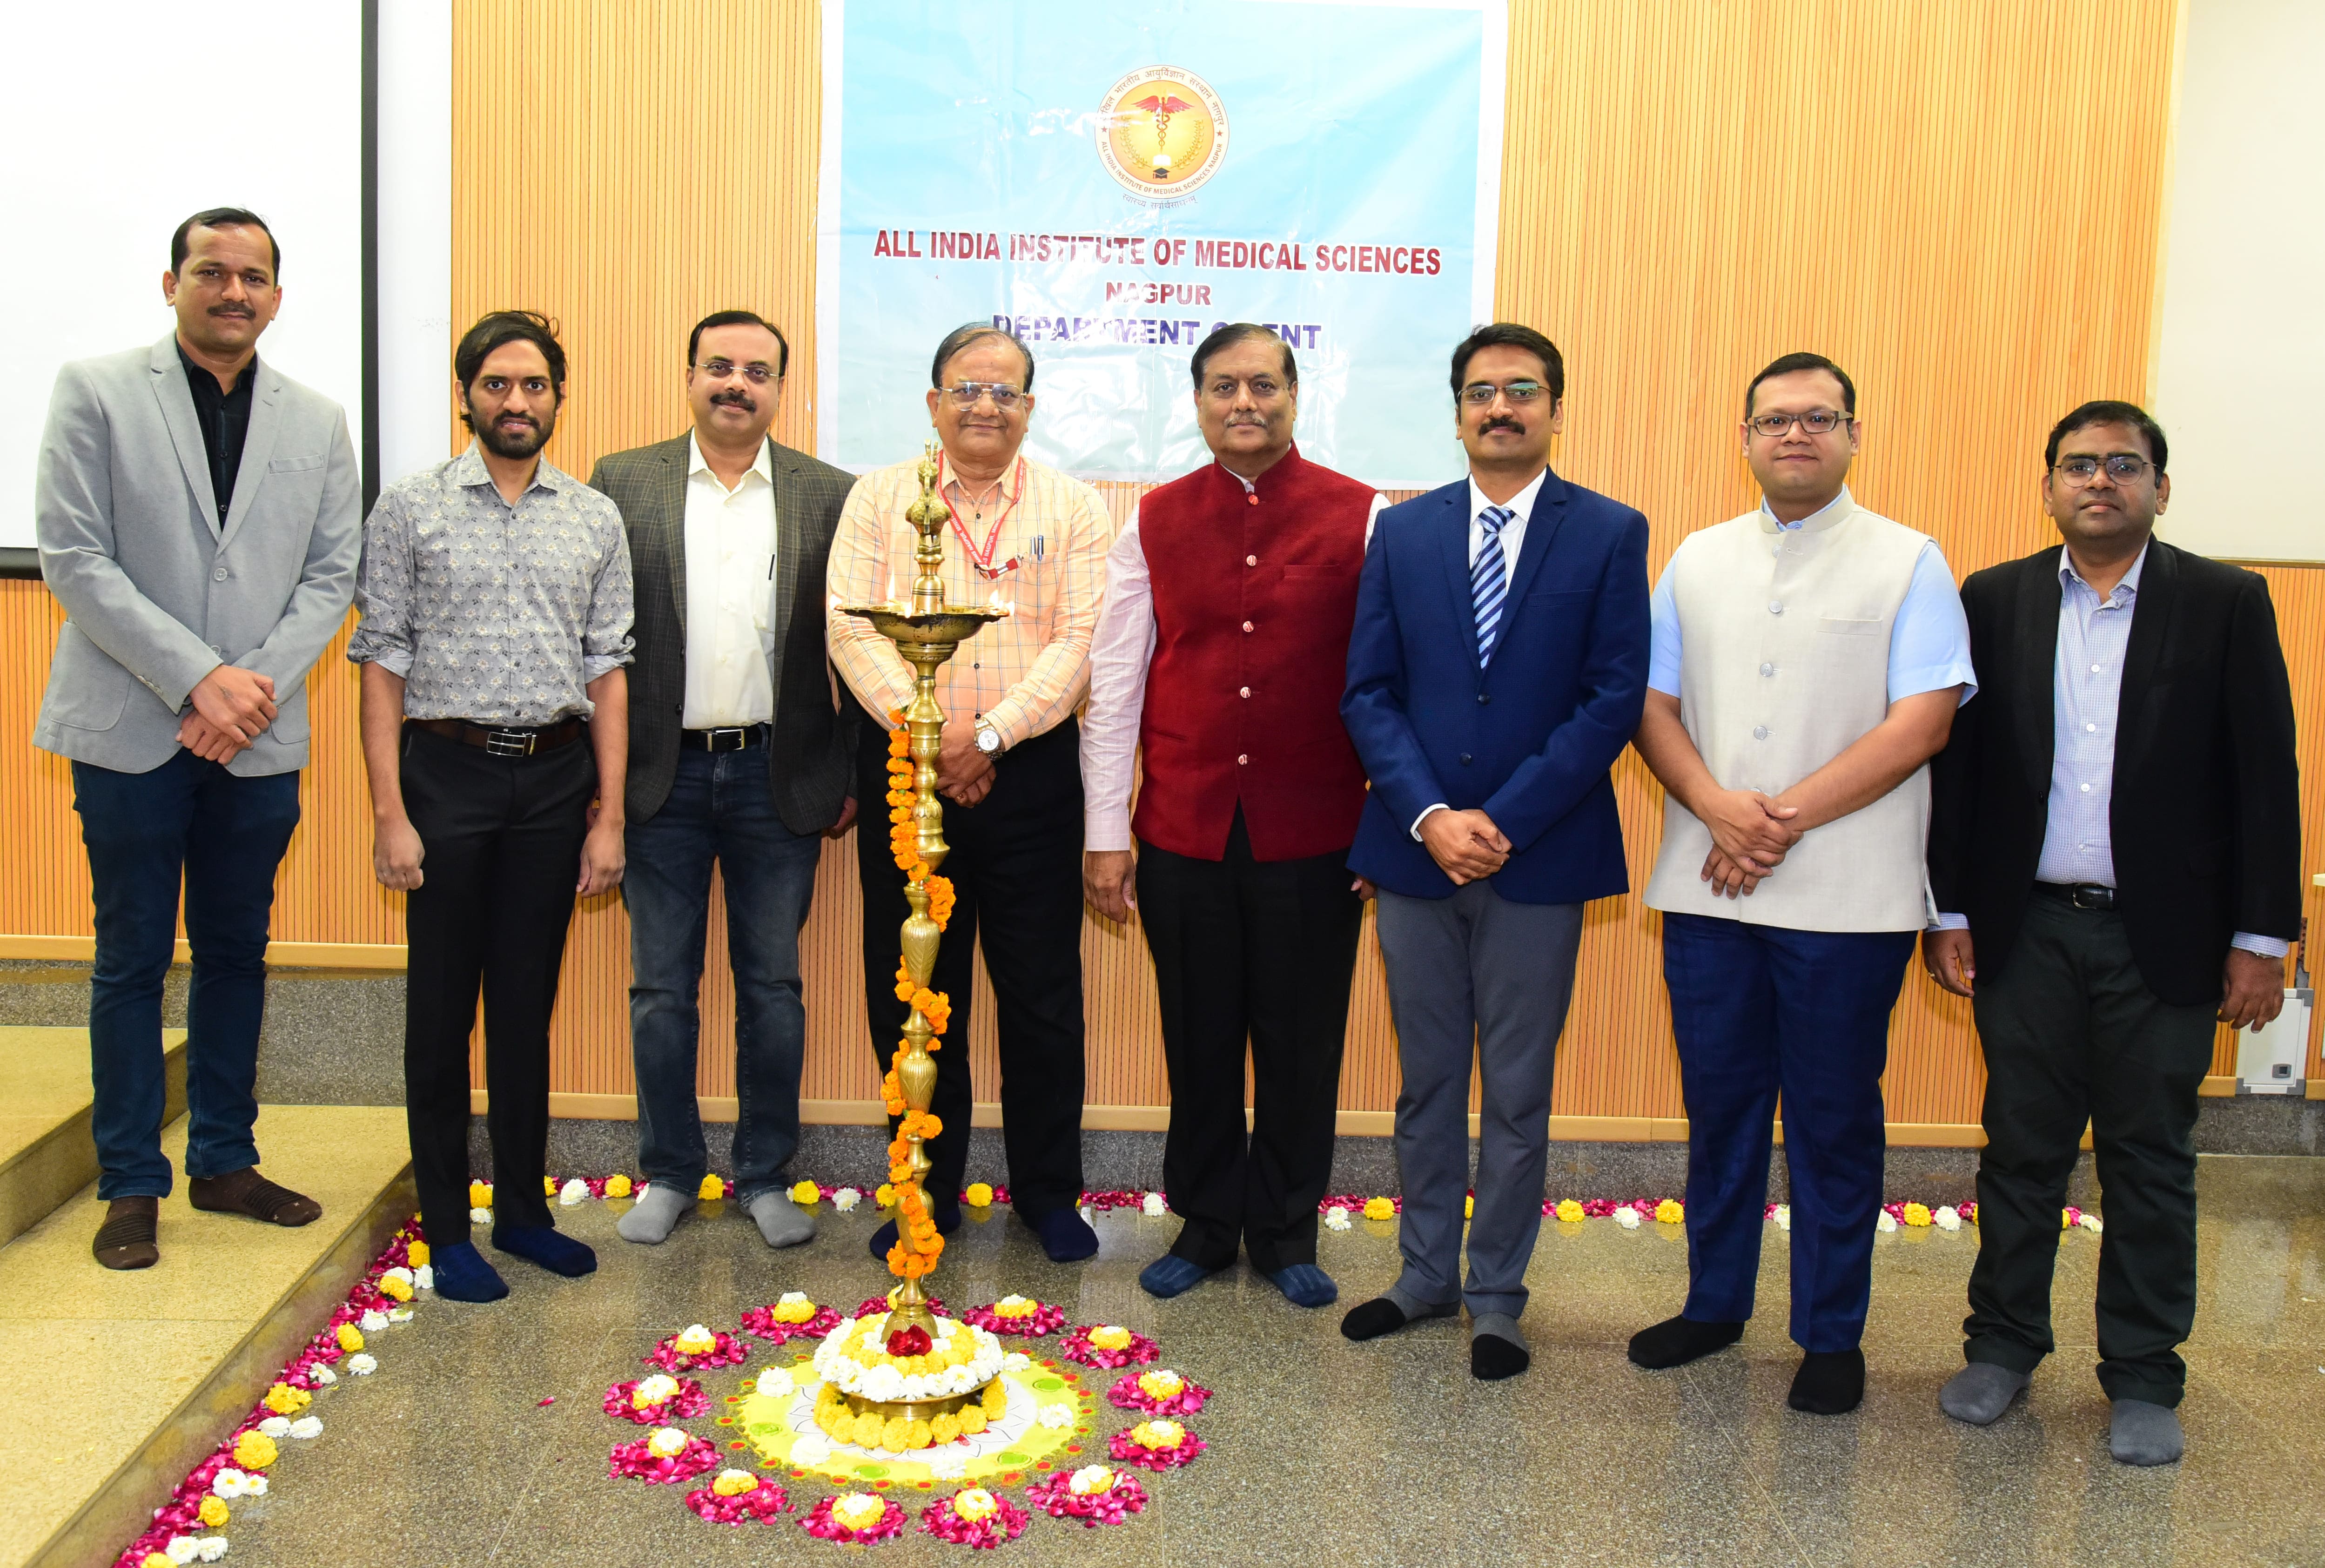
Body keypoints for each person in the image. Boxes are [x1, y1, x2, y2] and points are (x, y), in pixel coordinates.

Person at [1925, 400, 2298, 1466]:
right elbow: (1959, 769)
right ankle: (2001, 1345)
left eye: (2122, 465)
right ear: (2047, 485)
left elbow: (2264, 772)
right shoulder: (1993, 598)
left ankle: (2142, 1373)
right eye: (2078, 464)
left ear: (2158, 488)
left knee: (2148, 1158)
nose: (2099, 480)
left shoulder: (2224, 600)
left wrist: (2261, 935)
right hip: (2026, 928)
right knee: (2020, 1151)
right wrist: (1948, 910)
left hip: (2164, 938)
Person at [1626, 352, 1973, 1416]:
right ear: (1742, 438)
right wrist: (1717, 807)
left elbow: (1922, 722)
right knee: (1719, 1108)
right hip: (1710, 893)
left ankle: (1830, 1332)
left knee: (1831, 1119)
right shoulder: (1695, 558)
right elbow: (1648, 705)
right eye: (1773, 418)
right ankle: (1713, 1303)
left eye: (1818, 417)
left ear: (1852, 435)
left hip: (1847, 900)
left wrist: (1772, 821)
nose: (1794, 433)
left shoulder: (1908, 561)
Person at [35, 208, 361, 1271]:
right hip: (129, 726)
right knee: (130, 958)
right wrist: (199, 679)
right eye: (212, 271)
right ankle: (131, 1183)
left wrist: (244, 694)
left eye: (252, 276)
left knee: (234, 952)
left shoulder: (318, 419)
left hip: (254, 736)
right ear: (170, 283)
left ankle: (225, 1158)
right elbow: (74, 557)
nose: (233, 291)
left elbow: (332, 574)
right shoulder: (96, 391)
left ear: (277, 296)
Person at [1338, 323, 1650, 1380]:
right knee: (1426, 1084)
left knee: (1516, 1090)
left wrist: (1503, 819)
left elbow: (1611, 697)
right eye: (1481, 391)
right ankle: (1424, 1274)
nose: (1500, 407)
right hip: (1415, 854)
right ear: (1458, 410)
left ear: (1555, 407)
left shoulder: (1607, 532)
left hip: (1539, 856)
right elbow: (1368, 692)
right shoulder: (1403, 531)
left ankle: (1497, 1296)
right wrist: (1431, 814)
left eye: (1522, 389)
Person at [1082, 323, 1384, 1308]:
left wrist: (1388, 825)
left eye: (1262, 384)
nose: (1243, 402)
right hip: (1184, 827)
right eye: (1223, 386)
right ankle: (1208, 1225)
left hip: (1317, 834)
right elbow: (1117, 683)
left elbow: (1390, 681)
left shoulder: (1361, 514)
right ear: (1199, 401)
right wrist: (1106, 833)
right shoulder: (1154, 519)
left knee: (1302, 1043)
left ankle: (1287, 1229)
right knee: (1198, 1037)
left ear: (1294, 394)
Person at [349, 311, 633, 1302]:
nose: (517, 401)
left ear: (559, 397)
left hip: (555, 782)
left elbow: (607, 669)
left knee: (524, 1007)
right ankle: (444, 1228)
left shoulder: (593, 518)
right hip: (445, 775)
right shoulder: (410, 507)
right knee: (440, 1013)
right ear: (466, 395)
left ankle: (521, 1211)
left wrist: (608, 814)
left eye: (535, 385)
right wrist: (390, 812)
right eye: (497, 384)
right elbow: (380, 663)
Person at [826, 322, 1109, 1264]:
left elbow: (1081, 639)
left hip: (1030, 774)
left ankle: (1048, 1194)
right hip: (908, 772)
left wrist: (986, 737)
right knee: (913, 987)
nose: (985, 405)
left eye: (1004, 391)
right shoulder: (880, 498)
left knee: (1041, 993)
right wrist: (931, 737)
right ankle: (925, 1191)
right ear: (933, 401)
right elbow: (847, 625)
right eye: (966, 388)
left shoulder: (1074, 506)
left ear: (1029, 407)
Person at [587, 311, 859, 1251]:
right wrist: (598, 783)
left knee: (773, 987)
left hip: (776, 777)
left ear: (780, 386)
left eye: (756, 370)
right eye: (719, 366)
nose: (736, 383)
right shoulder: (625, 481)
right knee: (661, 990)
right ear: (690, 375)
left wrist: (847, 767)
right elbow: (596, 639)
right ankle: (668, 1170)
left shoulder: (829, 494)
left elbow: (856, 641)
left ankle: (765, 1173)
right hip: (658, 777)